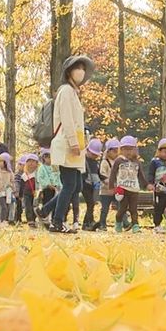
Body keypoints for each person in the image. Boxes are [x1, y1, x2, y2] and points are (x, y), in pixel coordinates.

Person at [43, 54, 92, 234]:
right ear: (69, 71)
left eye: (83, 68)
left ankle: (45, 209)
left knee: (76, 185)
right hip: (66, 143)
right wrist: (73, 142)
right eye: (77, 68)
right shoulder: (65, 91)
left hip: (74, 144)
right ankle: (57, 221)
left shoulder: (73, 93)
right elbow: (67, 119)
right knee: (70, 185)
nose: (81, 71)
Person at [108, 135, 148, 233]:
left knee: (134, 209)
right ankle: (118, 222)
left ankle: (135, 226)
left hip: (134, 189)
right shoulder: (118, 161)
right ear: (121, 150)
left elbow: (141, 175)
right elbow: (112, 174)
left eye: (131, 149)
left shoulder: (137, 162)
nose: (128, 152)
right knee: (122, 208)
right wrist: (111, 187)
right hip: (122, 189)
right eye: (125, 149)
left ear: (135, 150)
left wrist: (146, 185)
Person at [148, 138, 166, 233]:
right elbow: (151, 173)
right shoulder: (155, 162)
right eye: (165, 152)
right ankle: (157, 224)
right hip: (159, 189)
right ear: (159, 151)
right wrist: (150, 184)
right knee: (159, 207)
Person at [97, 138, 119, 232]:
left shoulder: (117, 162)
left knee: (120, 207)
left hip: (116, 190)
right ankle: (102, 224)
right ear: (109, 151)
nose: (116, 153)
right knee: (105, 209)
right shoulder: (105, 162)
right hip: (105, 191)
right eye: (114, 151)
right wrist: (109, 184)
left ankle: (124, 222)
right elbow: (102, 175)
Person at [82, 139, 104, 230]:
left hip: (94, 186)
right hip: (85, 185)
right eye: (93, 154)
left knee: (92, 203)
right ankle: (89, 222)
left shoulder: (95, 162)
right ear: (87, 150)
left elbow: (98, 173)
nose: (94, 156)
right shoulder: (84, 161)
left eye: (96, 155)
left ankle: (87, 222)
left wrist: (105, 179)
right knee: (90, 202)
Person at [35, 149, 61, 225]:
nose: (49, 159)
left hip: (55, 188)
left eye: (50, 157)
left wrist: (58, 185)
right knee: (47, 202)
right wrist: (47, 184)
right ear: (43, 158)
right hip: (46, 189)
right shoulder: (41, 168)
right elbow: (40, 178)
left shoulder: (55, 167)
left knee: (55, 203)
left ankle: (53, 218)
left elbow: (58, 176)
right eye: (47, 157)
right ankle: (44, 219)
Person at [0, 153, 16, 226]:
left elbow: (12, 181)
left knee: (6, 207)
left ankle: (3, 219)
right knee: (3, 206)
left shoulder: (10, 173)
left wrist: (12, 188)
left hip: (8, 193)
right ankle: (2, 220)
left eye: (1, 161)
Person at [20, 154, 40, 228]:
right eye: (29, 161)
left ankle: (35, 219)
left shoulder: (37, 174)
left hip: (36, 193)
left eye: (33, 161)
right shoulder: (24, 175)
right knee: (28, 206)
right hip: (26, 193)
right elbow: (21, 186)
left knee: (35, 206)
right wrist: (20, 195)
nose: (31, 164)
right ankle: (30, 220)